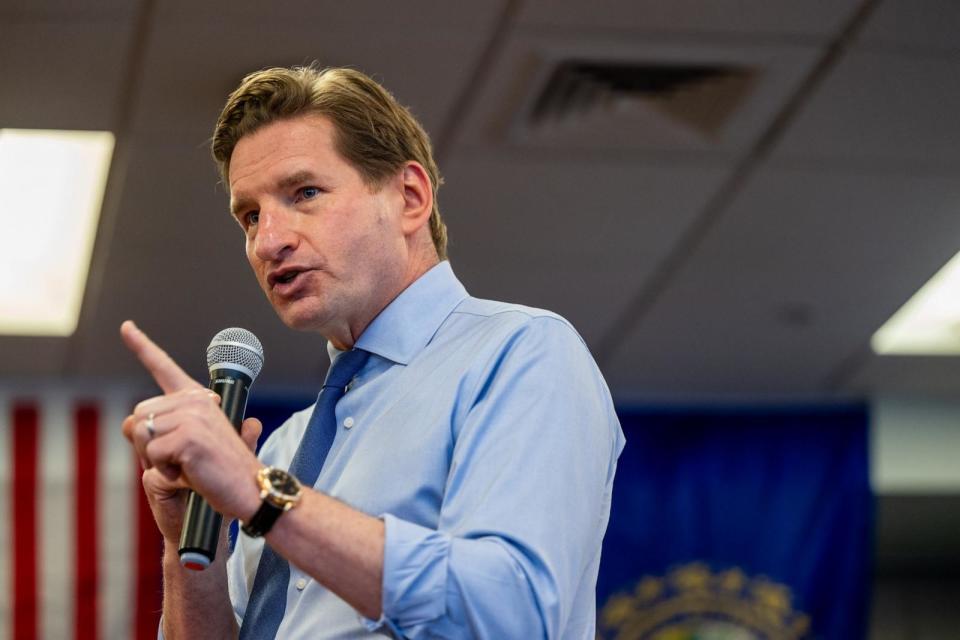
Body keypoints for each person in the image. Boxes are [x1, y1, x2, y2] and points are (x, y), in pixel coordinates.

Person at [120, 65, 624, 639]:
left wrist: (261, 497)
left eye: (305, 193)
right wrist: (193, 540)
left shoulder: (522, 354)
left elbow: (513, 615)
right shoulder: (286, 448)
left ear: (409, 197)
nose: (268, 241)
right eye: (250, 215)